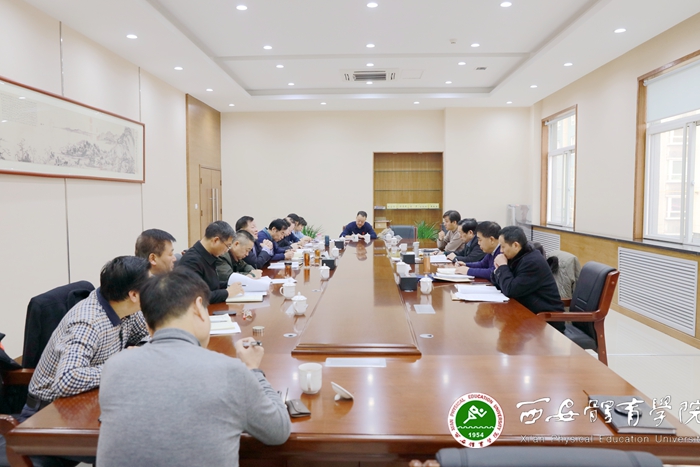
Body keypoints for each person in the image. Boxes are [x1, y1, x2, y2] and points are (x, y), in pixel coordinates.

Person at [96, 268, 291, 467]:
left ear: (147, 325)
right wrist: (252, 369)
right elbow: (278, 431)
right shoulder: (230, 372)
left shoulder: (114, 367)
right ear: (198, 307)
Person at [20, 256, 150, 421]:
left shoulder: (125, 308)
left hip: (88, 399)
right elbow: (67, 379)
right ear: (133, 294)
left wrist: (141, 351)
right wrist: (119, 366)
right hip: (48, 412)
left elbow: (149, 334)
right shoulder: (87, 323)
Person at [491, 226, 565, 331]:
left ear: (515, 245)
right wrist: (498, 269)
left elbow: (510, 290)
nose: (501, 251)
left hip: (546, 321)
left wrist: (502, 267)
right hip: (527, 313)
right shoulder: (517, 256)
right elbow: (498, 283)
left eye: (503, 247)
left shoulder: (532, 262)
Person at [177, 221, 244, 304]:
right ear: (215, 240)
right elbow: (197, 297)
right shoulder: (191, 260)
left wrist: (231, 284)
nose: (227, 250)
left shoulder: (208, 255)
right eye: (228, 246)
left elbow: (211, 285)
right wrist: (227, 292)